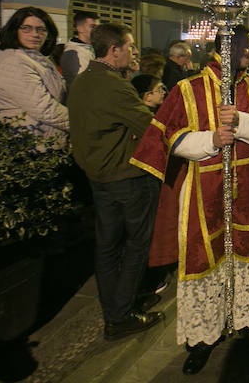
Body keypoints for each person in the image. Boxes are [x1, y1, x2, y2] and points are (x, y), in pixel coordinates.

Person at [132, 25, 249, 374]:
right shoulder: (188, 89)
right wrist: (213, 140)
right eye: (246, 48)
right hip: (204, 192)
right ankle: (204, 337)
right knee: (207, 261)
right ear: (228, 48)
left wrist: (243, 121)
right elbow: (171, 141)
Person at [67, 23, 163, 341]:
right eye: (130, 47)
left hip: (98, 175)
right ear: (114, 50)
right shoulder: (114, 85)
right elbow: (150, 126)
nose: (134, 52)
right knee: (136, 245)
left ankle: (119, 305)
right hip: (125, 176)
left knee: (108, 247)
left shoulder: (83, 80)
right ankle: (120, 314)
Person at [0, 7, 69, 145]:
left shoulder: (37, 58)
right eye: (26, 28)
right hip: (31, 144)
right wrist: (82, 124)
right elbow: (44, 109)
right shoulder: (13, 61)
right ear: (14, 31)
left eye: (41, 29)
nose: (35, 34)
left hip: (48, 140)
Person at [60, 10, 99, 88]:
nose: (97, 31)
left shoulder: (90, 49)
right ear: (79, 28)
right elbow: (81, 84)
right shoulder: (72, 53)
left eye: (98, 27)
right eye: (93, 27)